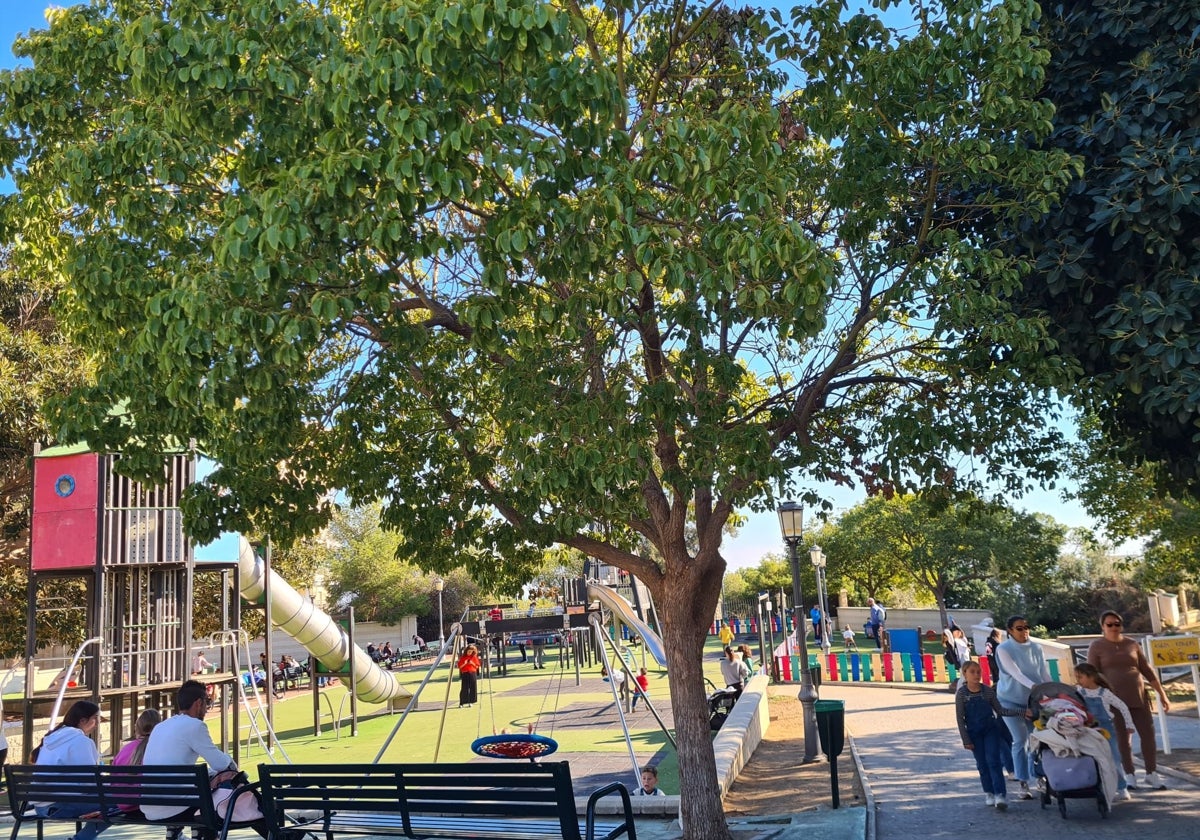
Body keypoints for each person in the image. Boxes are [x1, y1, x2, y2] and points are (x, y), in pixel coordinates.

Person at [1086, 609, 1171, 791]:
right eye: (1110, 624)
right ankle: (1130, 775)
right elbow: (1091, 673)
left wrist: (1162, 694)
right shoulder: (1097, 646)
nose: (1114, 627)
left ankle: (1151, 773)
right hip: (1113, 700)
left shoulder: (1132, 644)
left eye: (1117, 624)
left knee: (1148, 735)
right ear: (1102, 627)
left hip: (1138, 696)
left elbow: (1146, 670)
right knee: (1122, 738)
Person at [31, 700, 110, 840]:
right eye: (95, 719)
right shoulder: (81, 741)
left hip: (42, 806)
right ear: (83, 720)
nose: (98, 724)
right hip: (60, 806)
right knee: (117, 805)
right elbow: (90, 782)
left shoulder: (51, 738)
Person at [995, 615, 1050, 799]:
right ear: (1010, 630)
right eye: (1019, 628)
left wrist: (1052, 691)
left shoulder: (1036, 647)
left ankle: (1039, 776)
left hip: (1034, 701)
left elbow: (1043, 673)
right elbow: (1015, 673)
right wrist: (1034, 685)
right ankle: (1023, 782)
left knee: (1038, 739)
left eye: (1027, 627)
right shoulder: (1004, 649)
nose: (1024, 631)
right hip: (1010, 700)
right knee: (1020, 740)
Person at [956, 661, 1022, 811]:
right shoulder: (962, 694)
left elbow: (1001, 710)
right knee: (982, 764)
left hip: (990, 730)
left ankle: (1000, 794)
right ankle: (989, 792)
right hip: (974, 733)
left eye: (978, 672)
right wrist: (965, 739)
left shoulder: (987, 691)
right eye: (972, 672)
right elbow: (960, 719)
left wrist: (1022, 712)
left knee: (994, 761)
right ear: (964, 674)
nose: (976, 675)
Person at [1074, 662, 1134, 801]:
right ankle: (1099, 786)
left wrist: (1129, 725)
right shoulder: (1078, 691)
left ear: (1091, 677)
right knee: (1092, 758)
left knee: (1113, 758)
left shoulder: (1104, 693)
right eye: (1077, 677)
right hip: (1088, 729)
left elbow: (1122, 706)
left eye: (1081, 677)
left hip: (1106, 729)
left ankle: (1121, 787)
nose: (1078, 680)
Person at [112, 709, 162, 816]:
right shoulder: (158, 749)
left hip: (123, 805)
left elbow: (113, 778)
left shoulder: (125, 749)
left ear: (137, 728)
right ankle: (174, 829)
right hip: (146, 807)